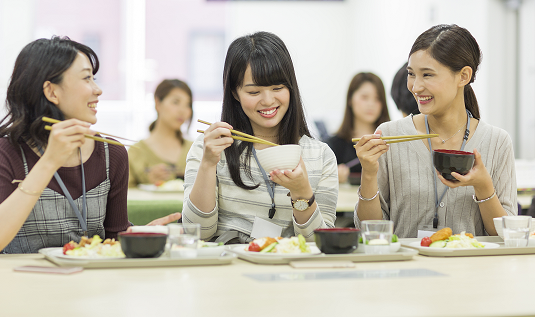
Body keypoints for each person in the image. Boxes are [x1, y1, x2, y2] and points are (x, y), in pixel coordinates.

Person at [0, 37, 178, 258]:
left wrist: (138, 236)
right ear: (52, 92)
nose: (98, 90)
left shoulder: (112, 154)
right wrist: (49, 161)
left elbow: (111, 240)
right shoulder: (7, 152)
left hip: (91, 286)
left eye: (94, 78)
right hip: (24, 284)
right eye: (86, 78)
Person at [354, 24, 517, 238]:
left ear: (463, 76)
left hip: (472, 270)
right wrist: (368, 172)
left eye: (428, 75)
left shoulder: (497, 141)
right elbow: (370, 232)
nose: (415, 86)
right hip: (407, 269)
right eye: (411, 74)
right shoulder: (388, 136)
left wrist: (483, 186)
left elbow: (508, 236)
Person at [181, 31, 338, 243]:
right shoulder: (210, 148)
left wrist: (301, 193)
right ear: (235, 93)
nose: (267, 100)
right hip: (228, 268)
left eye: (278, 88)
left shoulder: (320, 156)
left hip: (288, 270)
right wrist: (208, 164)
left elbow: (321, 243)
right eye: (254, 92)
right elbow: (197, 233)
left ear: (290, 87)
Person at [128, 79, 193, 188]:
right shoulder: (136, 152)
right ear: (158, 103)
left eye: (188, 105)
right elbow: (125, 196)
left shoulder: (195, 149)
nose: (183, 110)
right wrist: (148, 182)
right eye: (176, 102)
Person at [327, 73, 390, 183]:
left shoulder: (390, 142)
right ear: (350, 99)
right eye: (365, 97)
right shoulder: (333, 146)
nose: (371, 104)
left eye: (377, 98)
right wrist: (331, 177)